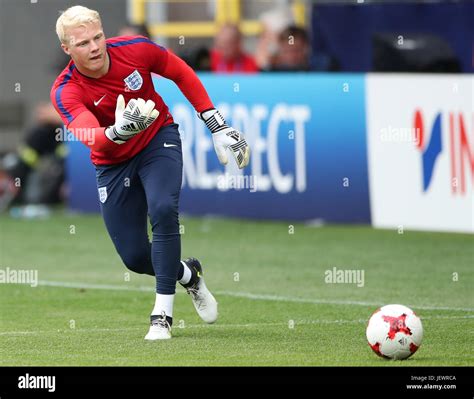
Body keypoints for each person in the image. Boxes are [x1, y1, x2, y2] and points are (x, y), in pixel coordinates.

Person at [51, 6, 250, 340]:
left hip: (158, 139)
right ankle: (188, 275)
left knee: (162, 208)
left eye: (97, 36)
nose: (95, 47)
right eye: (83, 43)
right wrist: (117, 132)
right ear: (67, 49)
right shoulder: (65, 89)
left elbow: (181, 72)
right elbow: (90, 135)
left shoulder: (135, 48)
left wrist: (215, 123)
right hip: (112, 162)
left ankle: (162, 317)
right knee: (134, 257)